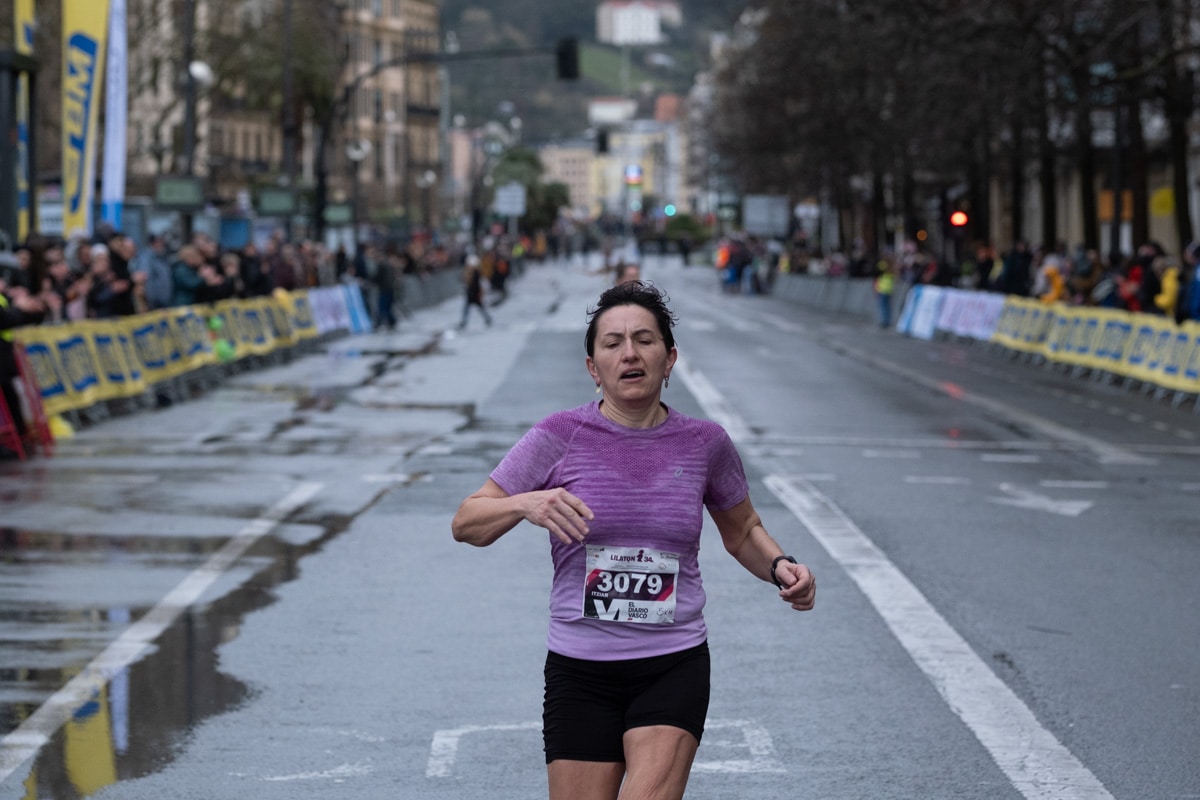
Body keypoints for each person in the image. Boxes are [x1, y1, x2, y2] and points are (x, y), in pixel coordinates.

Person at [451, 281, 816, 800]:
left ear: (669, 359)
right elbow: (466, 521)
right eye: (613, 343)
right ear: (592, 367)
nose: (630, 353)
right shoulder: (560, 435)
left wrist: (781, 566)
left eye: (644, 340)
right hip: (579, 670)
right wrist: (524, 504)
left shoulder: (705, 443)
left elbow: (743, 532)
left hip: (672, 663)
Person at [458, 254, 492, 329]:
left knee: (476, 308)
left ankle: (487, 319)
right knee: (470, 309)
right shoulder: (472, 273)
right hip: (472, 294)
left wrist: (479, 293)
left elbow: (477, 284)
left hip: (474, 294)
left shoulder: (476, 273)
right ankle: (487, 319)